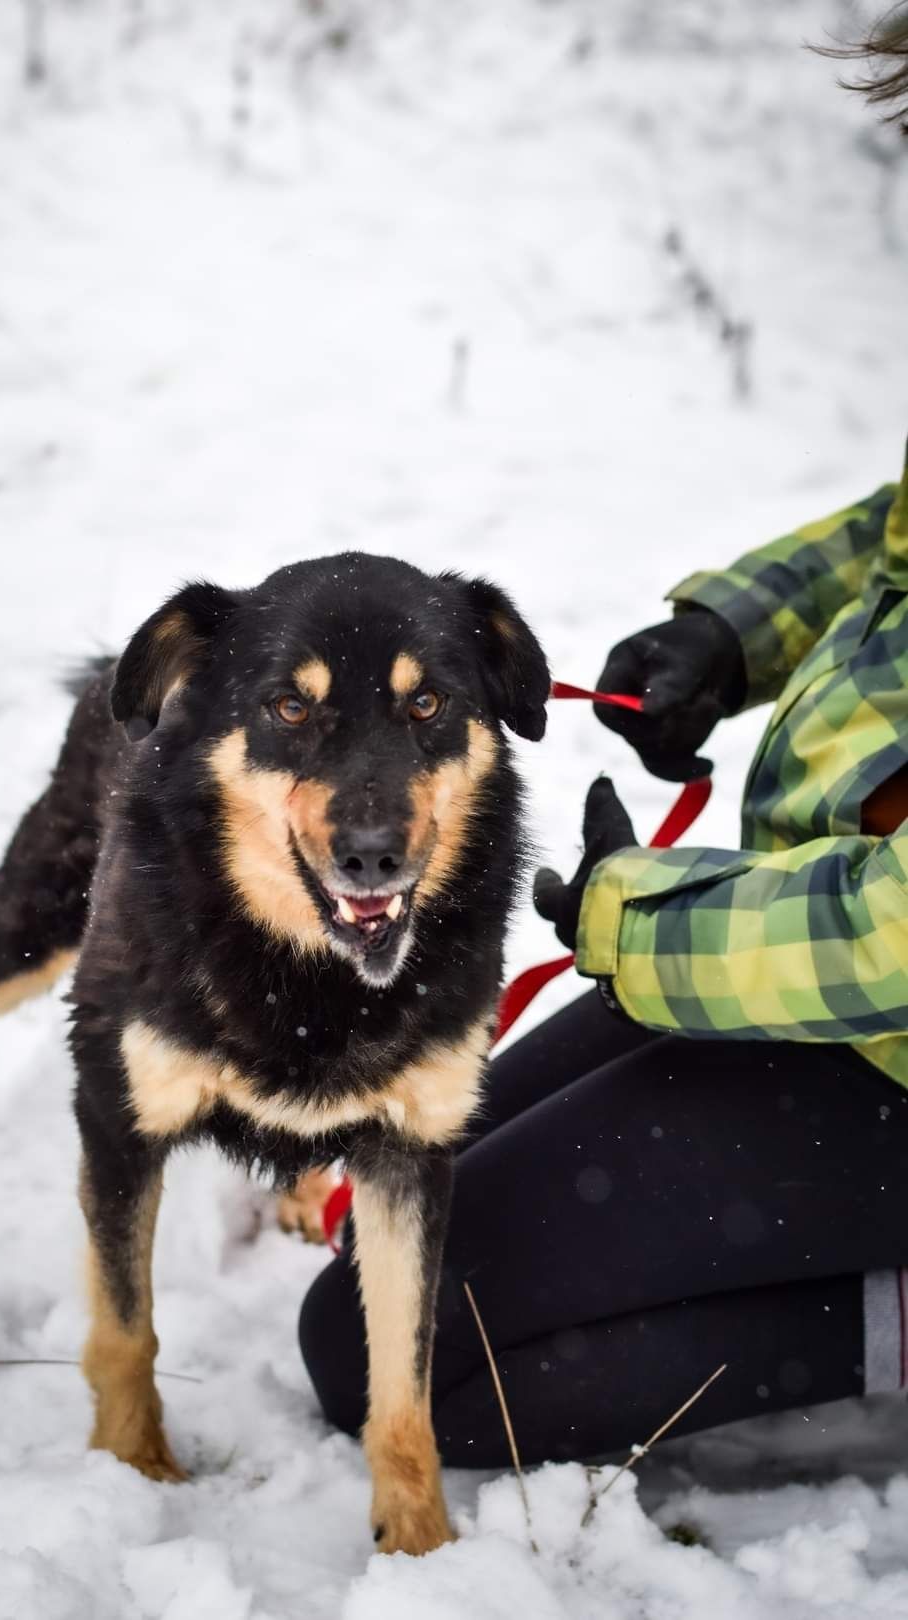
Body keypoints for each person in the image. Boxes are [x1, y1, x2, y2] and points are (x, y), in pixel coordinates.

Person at [299, 14, 908, 1468]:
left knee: (391, 1362)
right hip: (821, 987)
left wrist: (649, 923)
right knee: (406, 1200)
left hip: (875, 1020)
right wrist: (736, 630)